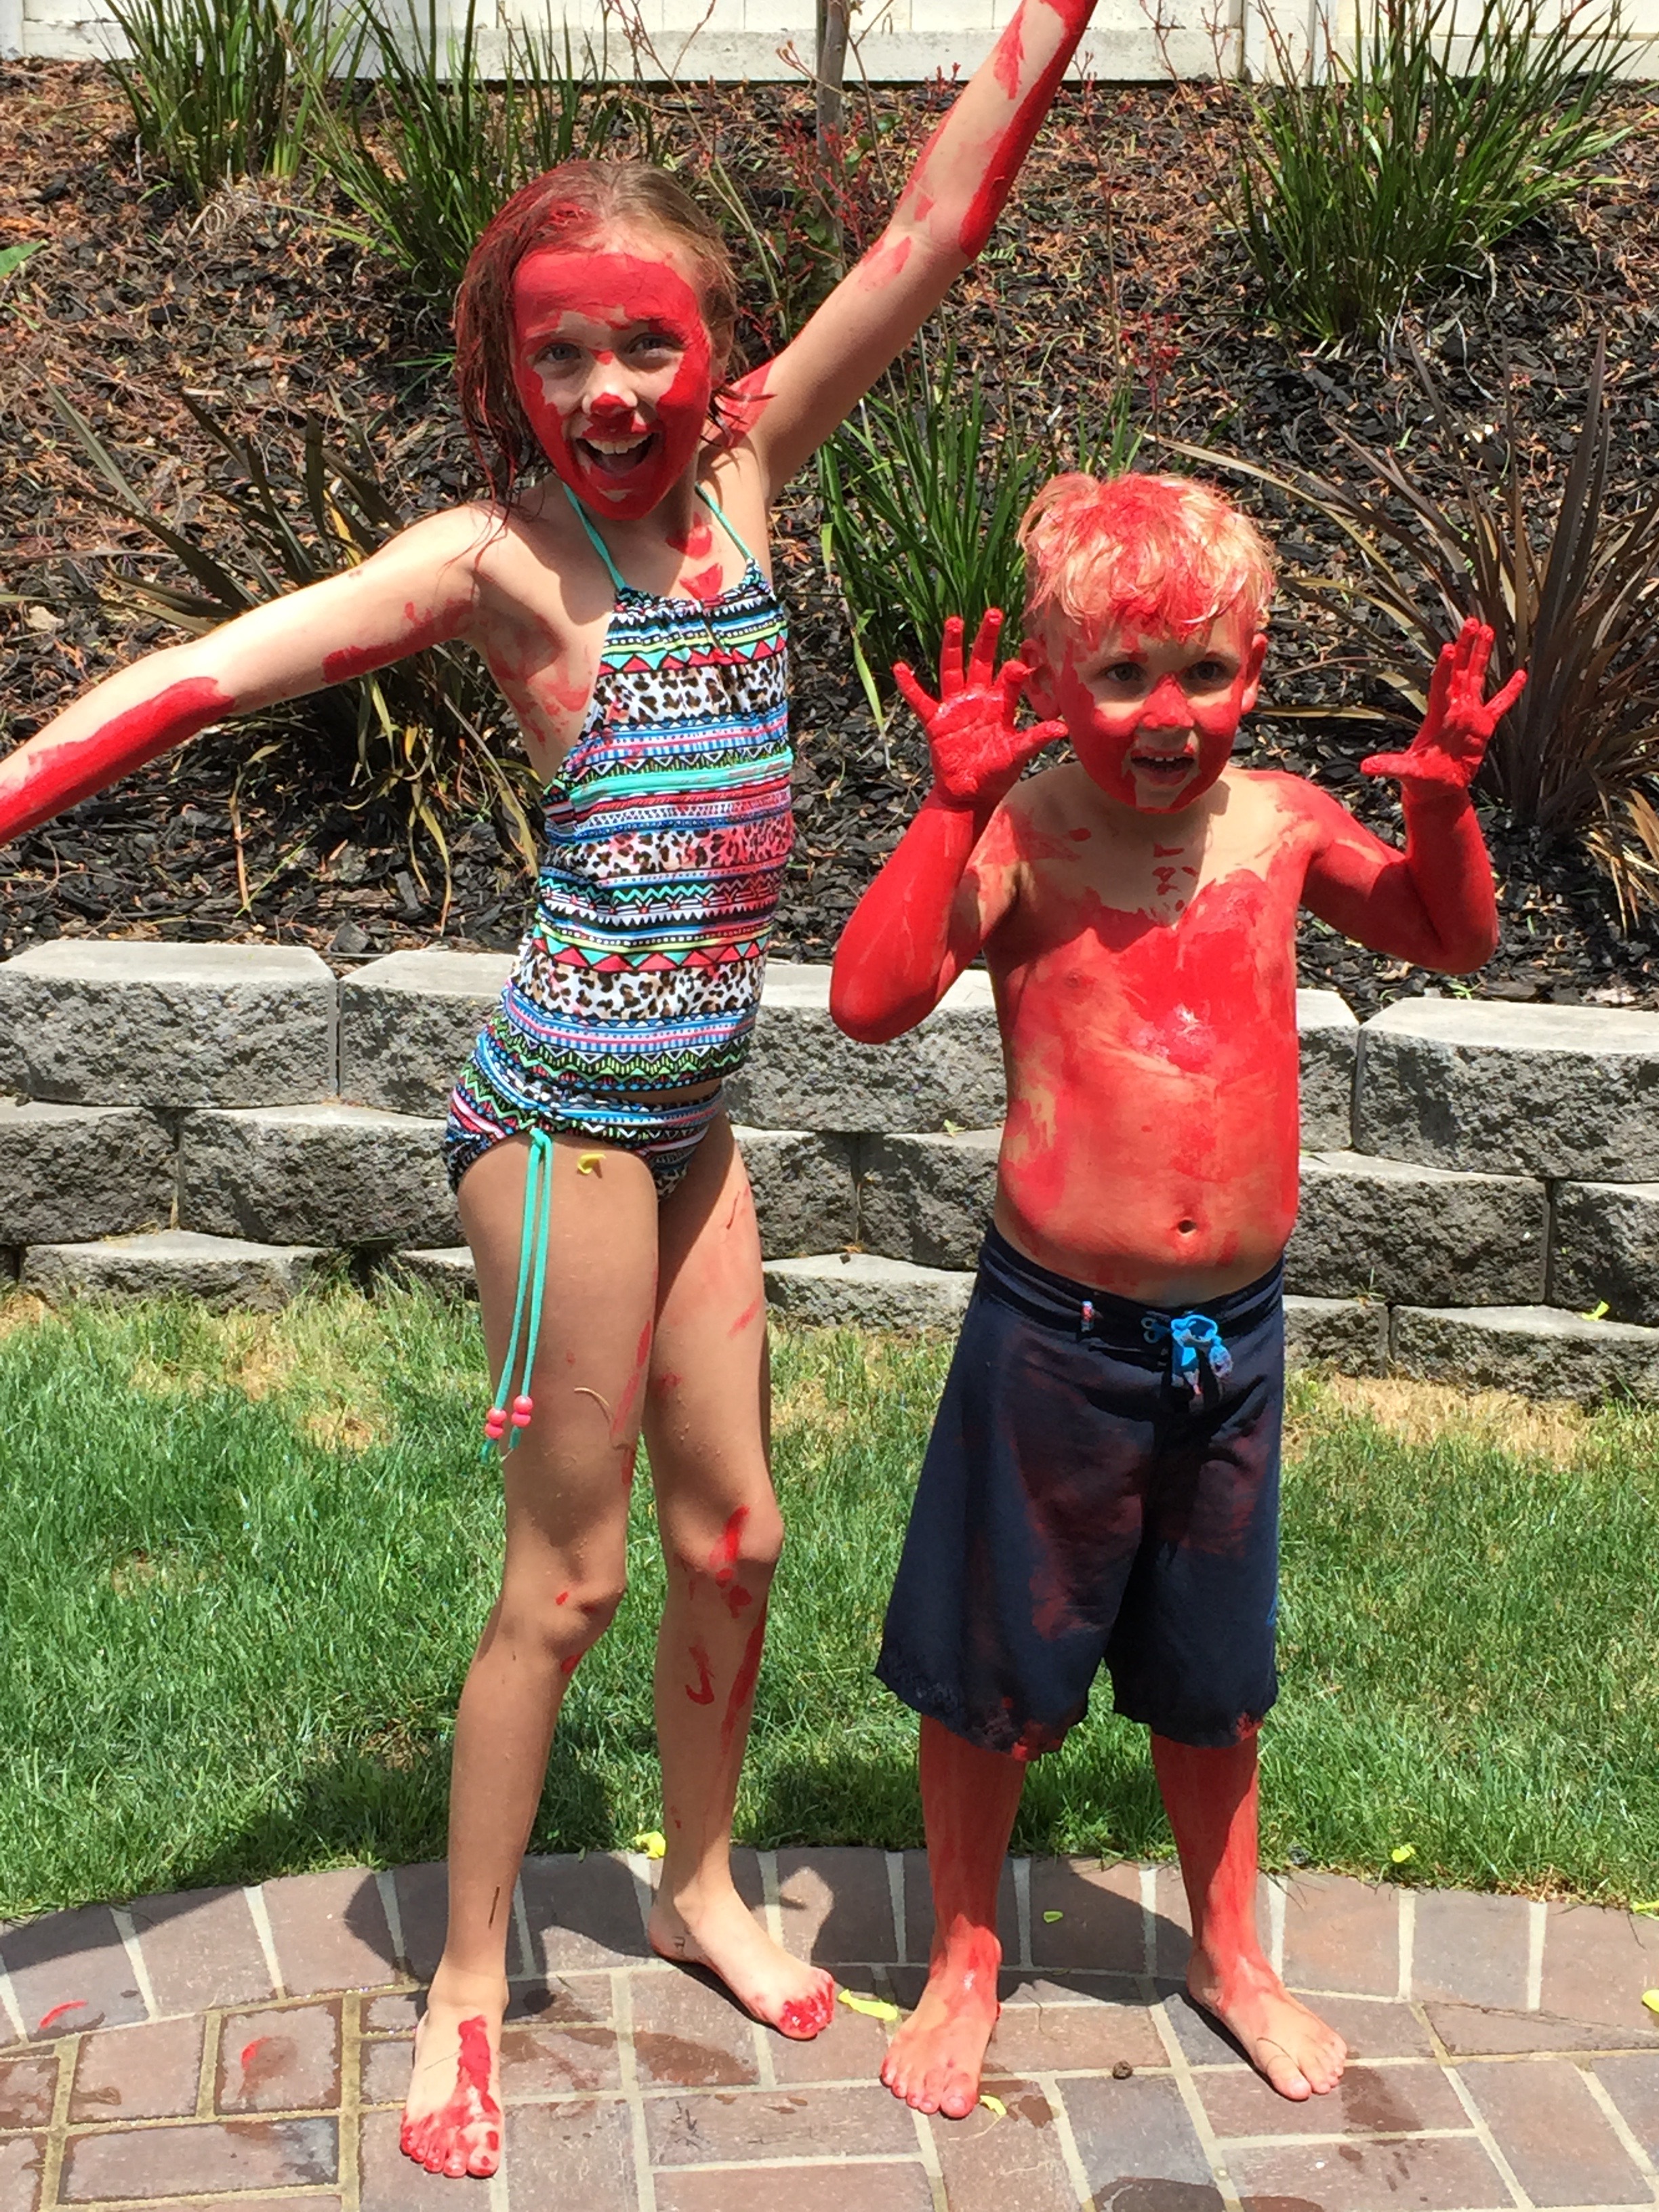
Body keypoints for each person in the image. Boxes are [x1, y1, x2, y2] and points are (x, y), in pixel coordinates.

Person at [0, 1, 1107, 2179]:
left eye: (645, 346)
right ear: (510, 378)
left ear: (720, 353)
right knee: (569, 1582)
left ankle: (694, 1887)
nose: (607, 391)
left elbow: (930, 225)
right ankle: (468, 1986)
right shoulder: (499, 565)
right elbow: (202, 674)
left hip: (693, 1126)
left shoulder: (752, 476)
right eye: (559, 356)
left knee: (742, 1537)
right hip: (559, 1133)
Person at [830, 470, 1523, 2121]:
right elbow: (870, 1000)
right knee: (994, 1677)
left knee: (1217, 1679)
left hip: (1230, 1347)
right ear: (1055, 683)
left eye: (1205, 672)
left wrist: (1441, 802)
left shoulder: (1280, 825)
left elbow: (1449, 937)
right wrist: (949, 810)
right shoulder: (1028, 835)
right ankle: (966, 1956)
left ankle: (1231, 1953)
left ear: (1256, 669)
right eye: (1125, 675)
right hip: (1057, 1340)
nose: (1168, 714)